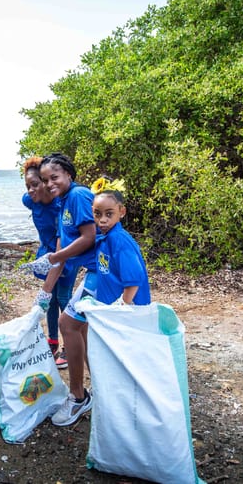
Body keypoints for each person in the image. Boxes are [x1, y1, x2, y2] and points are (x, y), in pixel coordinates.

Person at [22, 153, 96, 427]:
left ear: (68, 174)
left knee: (70, 323)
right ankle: (94, 389)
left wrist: (53, 258)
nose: (49, 184)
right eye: (45, 180)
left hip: (105, 272)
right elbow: (61, 253)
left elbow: (89, 238)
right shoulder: (64, 202)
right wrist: (44, 293)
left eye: (54, 177)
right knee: (77, 326)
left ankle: (79, 398)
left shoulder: (77, 196)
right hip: (94, 273)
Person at [21, 157, 78, 369]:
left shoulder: (59, 205)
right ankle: (52, 342)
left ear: (45, 184)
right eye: (27, 185)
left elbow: (63, 245)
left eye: (35, 184)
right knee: (51, 300)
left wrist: (55, 258)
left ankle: (71, 345)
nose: (30, 190)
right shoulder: (30, 201)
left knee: (63, 296)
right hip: (46, 252)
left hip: (64, 254)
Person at [91, 180, 151, 306]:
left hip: (125, 313)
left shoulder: (119, 240)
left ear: (121, 212)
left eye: (109, 214)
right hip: (110, 309)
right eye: (97, 214)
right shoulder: (104, 238)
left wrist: (122, 304)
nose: (102, 220)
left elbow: (134, 279)